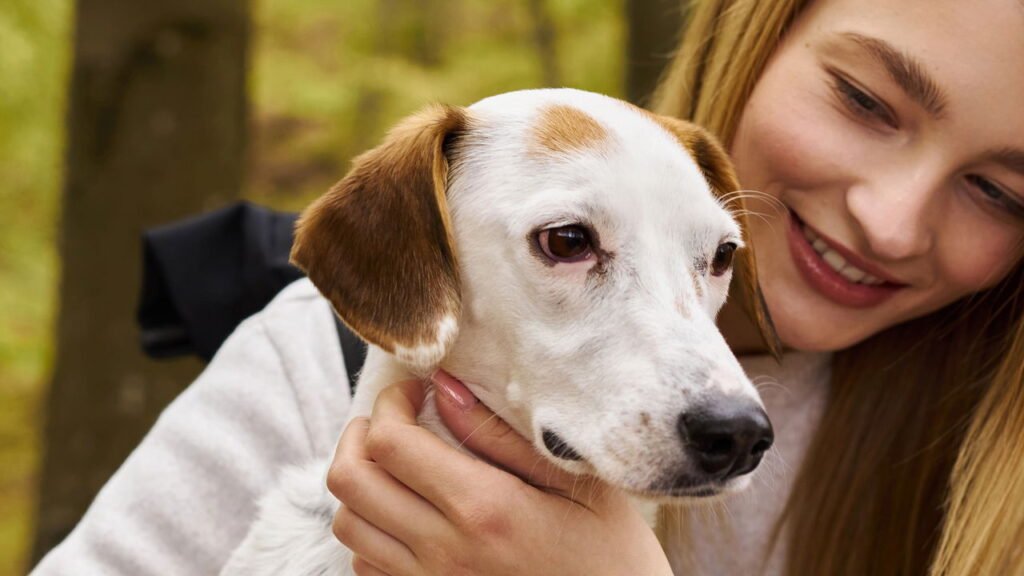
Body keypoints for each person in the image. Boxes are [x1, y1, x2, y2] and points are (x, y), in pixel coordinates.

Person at [31, 0, 1024, 575]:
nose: (889, 220)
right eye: (862, 98)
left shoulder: (993, 467)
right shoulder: (311, 364)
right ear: (750, 33)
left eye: (998, 189)